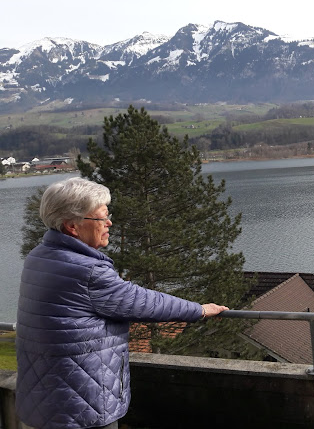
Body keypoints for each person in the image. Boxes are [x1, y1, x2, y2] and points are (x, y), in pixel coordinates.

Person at [15, 177, 228, 429]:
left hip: (45, 396)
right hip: (83, 405)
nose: (109, 223)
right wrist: (200, 310)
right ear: (72, 226)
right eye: (101, 218)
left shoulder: (39, 256)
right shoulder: (88, 271)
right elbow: (143, 301)